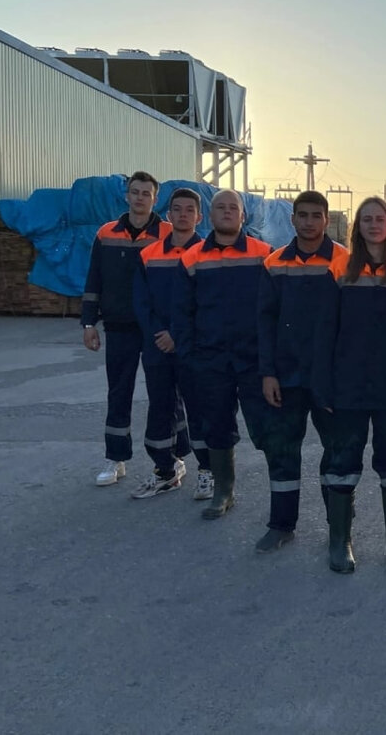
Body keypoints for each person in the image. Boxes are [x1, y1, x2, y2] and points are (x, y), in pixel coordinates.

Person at [312, 197, 386, 573]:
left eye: (380, 218)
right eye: (366, 219)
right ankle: (340, 541)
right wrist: (322, 384)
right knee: (342, 460)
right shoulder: (339, 269)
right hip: (347, 385)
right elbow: (324, 331)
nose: (373, 225)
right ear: (358, 227)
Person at [254, 191, 348, 553]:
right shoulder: (274, 263)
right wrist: (268, 373)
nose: (309, 222)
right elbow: (265, 322)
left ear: (326, 219)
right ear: (292, 219)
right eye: (303, 215)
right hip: (286, 376)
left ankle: (339, 528)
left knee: (337, 453)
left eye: (316, 215)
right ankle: (281, 525)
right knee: (281, 451)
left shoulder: (344, 262)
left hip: (330, 378)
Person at [173, 190, 272, 520]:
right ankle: (223, 491)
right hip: (210, 359)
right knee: (216, 425)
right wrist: (189, 355)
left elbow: (275, 308)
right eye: (220, 207)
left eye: (233, 208)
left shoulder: (264, 254)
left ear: (243, 216)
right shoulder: (192, 258)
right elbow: (182, 313)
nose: (227, 212)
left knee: (268, 427)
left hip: (253, 359)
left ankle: (282, 500)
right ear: (210, 215)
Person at [82, 171, 172, 487]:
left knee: (165, 393)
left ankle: (172, 458)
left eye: (146, 193)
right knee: (119, 392)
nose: (139, 198)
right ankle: (115, 458)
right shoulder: (106, 233)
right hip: (119, 326)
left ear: (155, 199)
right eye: (135, 192)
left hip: (157, 329)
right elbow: (94, 279)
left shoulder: (168, 233)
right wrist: (89, 323)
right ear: (126, 195)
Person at [130, 187, 205, 499]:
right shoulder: (149, 255)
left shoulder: (208, 254)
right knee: (160, 406)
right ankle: (165, 470)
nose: (183, 215)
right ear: (168, 214)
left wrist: (177, 334)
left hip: (193, 346)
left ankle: (208, 471)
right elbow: (141, 300)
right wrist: (159, 333)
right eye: (178, 209)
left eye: (190, 210)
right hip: (157, 346)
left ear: (199, 217)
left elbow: (208, 303)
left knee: (200, 408)